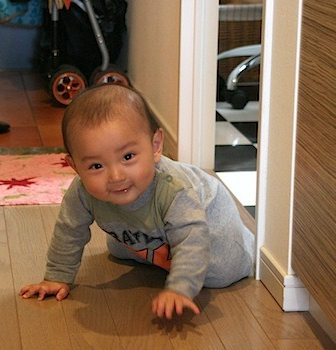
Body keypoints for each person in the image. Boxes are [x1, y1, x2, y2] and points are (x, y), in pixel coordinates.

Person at [19, 84, 254, 319]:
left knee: (220, 273)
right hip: (157, 227)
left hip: (207, 222)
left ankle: (246, 244)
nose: (116, 176)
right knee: (119, 250)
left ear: (155, 146)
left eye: (128, 157)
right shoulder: (81, 192)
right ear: (75, 167)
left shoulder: (174, 190)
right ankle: (161, 251)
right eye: (96, 166)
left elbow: (192, 239)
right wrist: (57, 276)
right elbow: (69, 231)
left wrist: (180, 288)